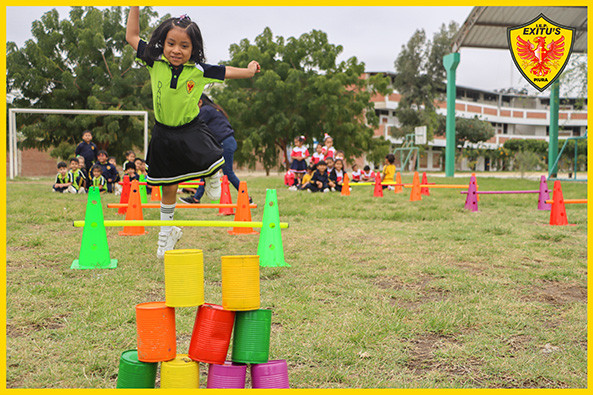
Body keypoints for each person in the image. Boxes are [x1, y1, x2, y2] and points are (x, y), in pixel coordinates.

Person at [126, 6, 260, 258]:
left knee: (211, 155)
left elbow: (228, 71)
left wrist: (250, 70)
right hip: (163, 133)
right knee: (168, 187)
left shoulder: (198, 70)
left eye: (184, 46)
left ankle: (213, 176)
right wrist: (134, 6)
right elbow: (132, 36)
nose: (177, 50)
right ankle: (166, 235)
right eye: (171, 43)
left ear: (193, 49)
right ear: (162, 44)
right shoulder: (154, 62)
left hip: (191, 129)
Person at [180, 94, 249, 204]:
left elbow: (194, 126)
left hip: (224, 143)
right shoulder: (214, 109)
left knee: (228, 173)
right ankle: (196, 198)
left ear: (200, 102)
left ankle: (246, 198)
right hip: (227, 142)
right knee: (208, 169)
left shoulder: (205, 110)